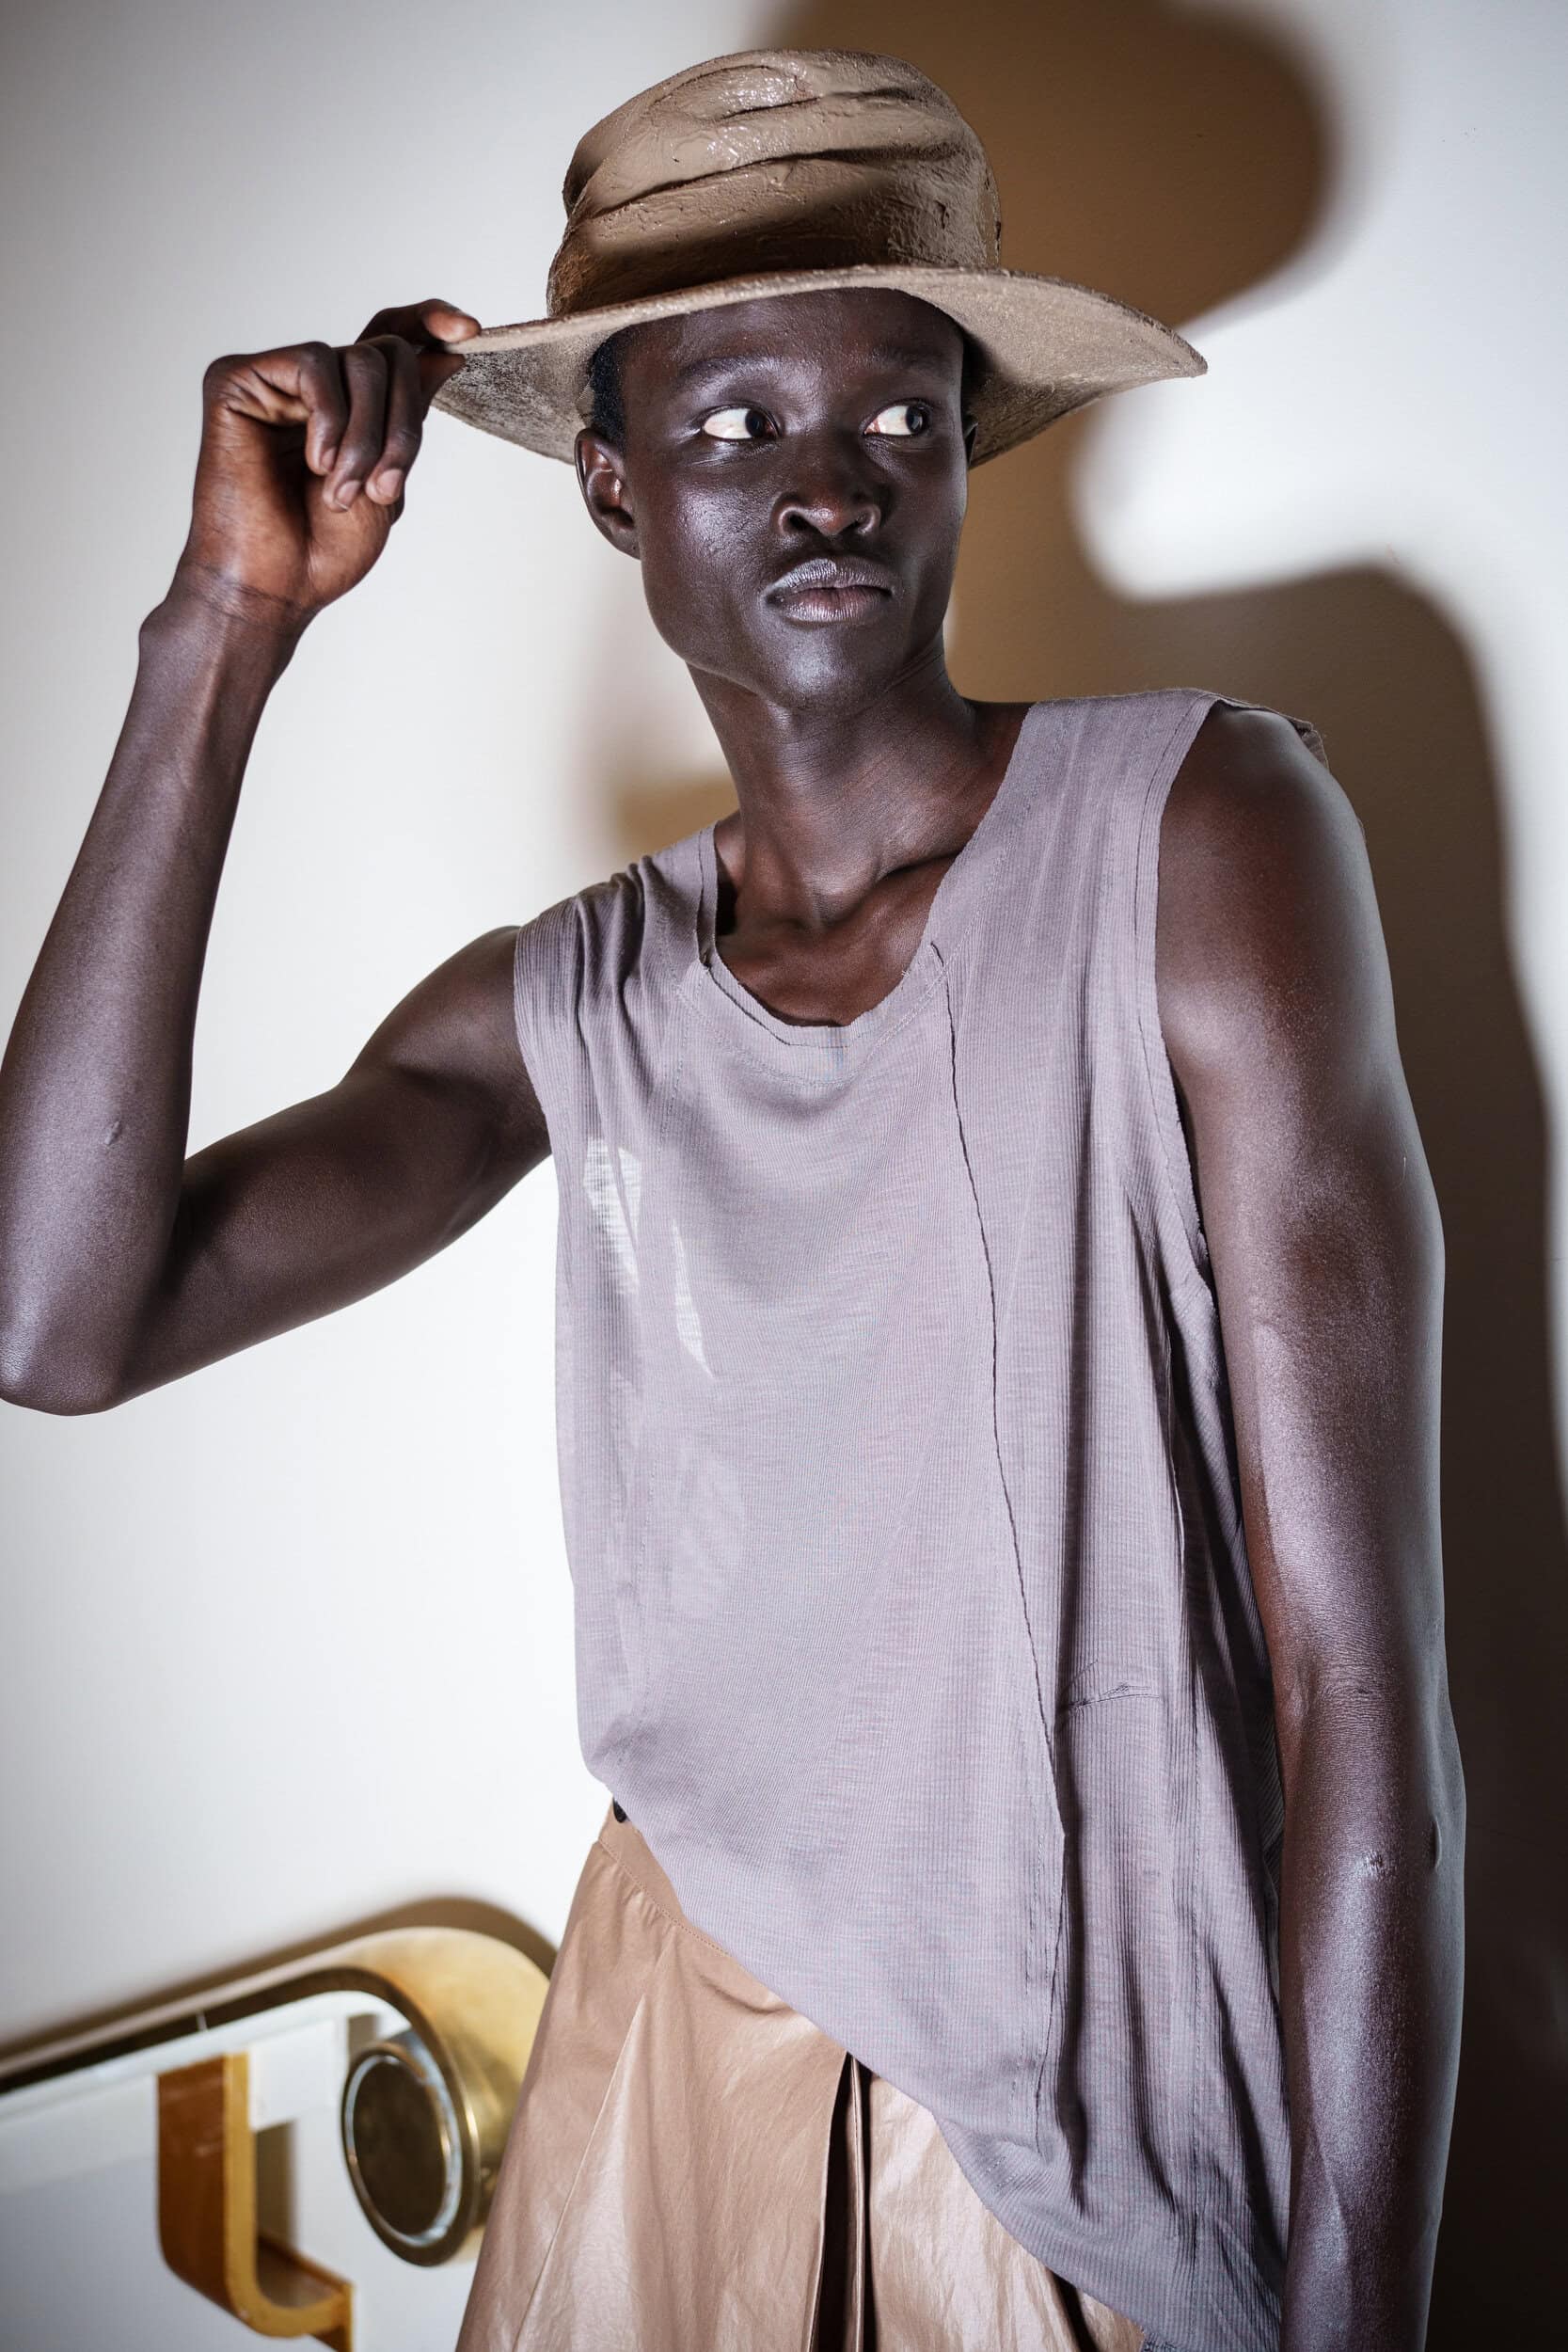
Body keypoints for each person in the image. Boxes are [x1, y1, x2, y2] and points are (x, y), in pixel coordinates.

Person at [0, 45, 1464, 2352]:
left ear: (964, 450)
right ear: (613, 483)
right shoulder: (568, 1001)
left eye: (895, 414)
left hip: (1071, 2139)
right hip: (658, 2097)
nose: (826, 485)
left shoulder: (1201, 839)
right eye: (736, 423)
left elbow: (1359, 1685)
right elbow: (58, 1317)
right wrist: (223, 627)